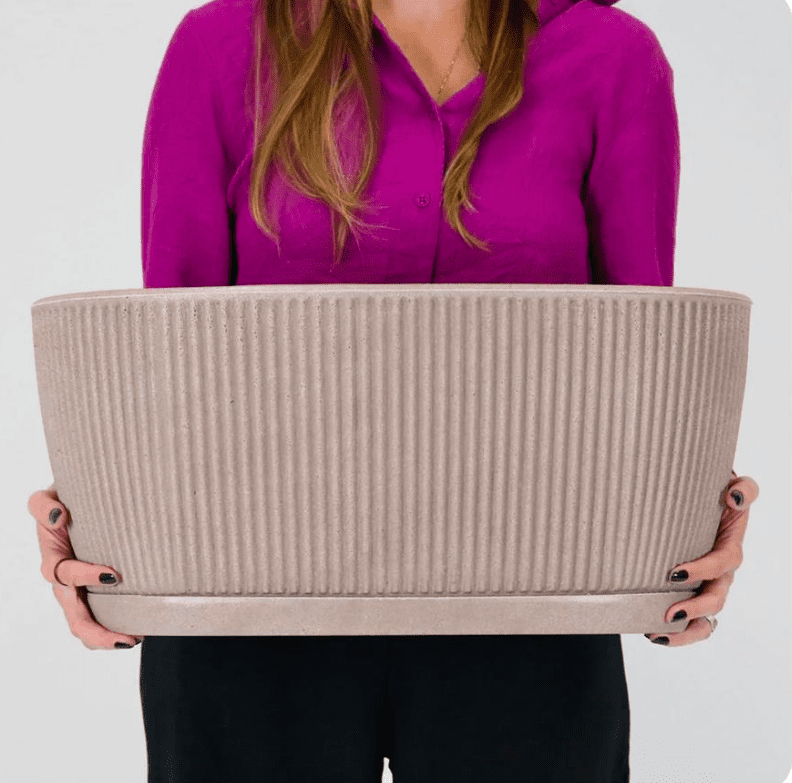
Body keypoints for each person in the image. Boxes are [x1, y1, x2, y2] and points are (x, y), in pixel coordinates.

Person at [28, 0, 759, 781]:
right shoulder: (222, 46)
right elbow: (169, 355)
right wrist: (101, 517)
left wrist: (690, 516)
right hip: (245, 597)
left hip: (531, 598)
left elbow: (640, 356)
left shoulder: (610, 56)